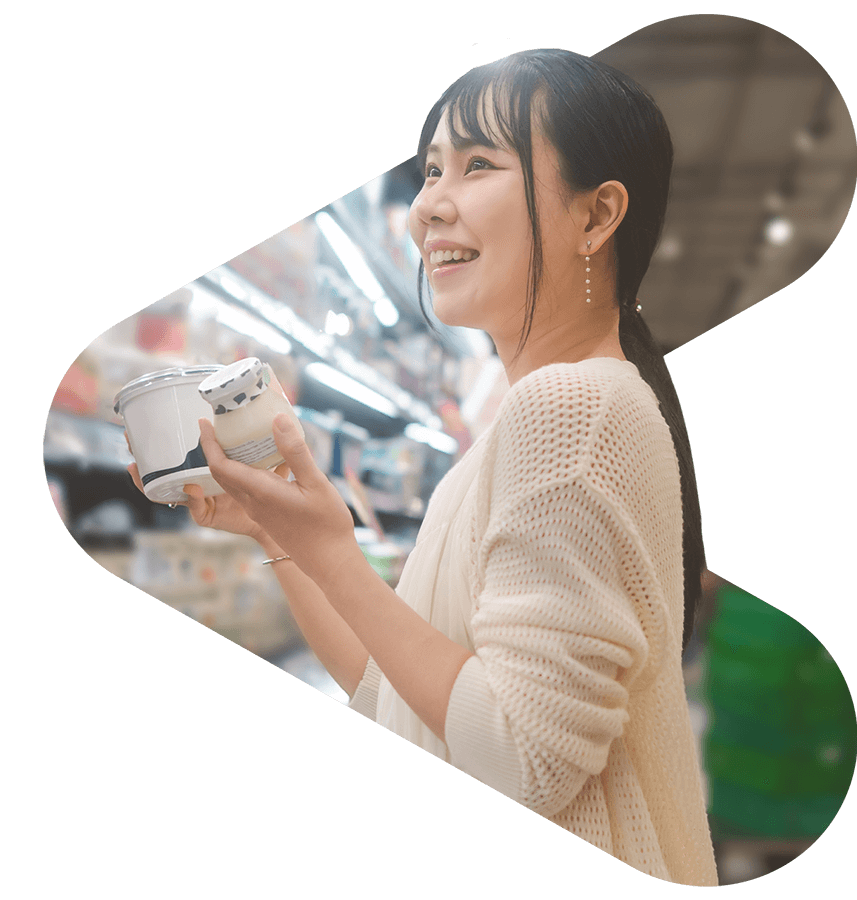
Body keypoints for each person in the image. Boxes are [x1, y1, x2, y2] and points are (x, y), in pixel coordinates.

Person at [127, 49, 716, 885]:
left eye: (478, 164)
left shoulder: (571, 411)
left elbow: (525, 763)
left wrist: (334, 547)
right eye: (431, 169)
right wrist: (281, 530)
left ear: (597, 216)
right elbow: (391, 695)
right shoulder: (515, 437)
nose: (427, 208)